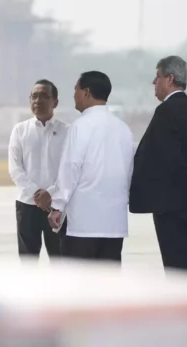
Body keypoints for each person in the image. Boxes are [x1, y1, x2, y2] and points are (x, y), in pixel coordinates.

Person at [129, 55, 187, 273]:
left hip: (171, 206)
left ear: (169, 79)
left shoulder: (166, 112)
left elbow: (169, 159)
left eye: (157, 76)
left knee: (177, 269)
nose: (154, 82)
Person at [46, 71, 134, 263]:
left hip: (83, 223)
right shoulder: (123, 129)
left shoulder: (80, 126)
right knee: (108, 284)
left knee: (80, 285)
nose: (74, 94)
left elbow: (70, 169)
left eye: (76, 89)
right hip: (114, 222)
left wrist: (57, 206)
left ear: (86, 92)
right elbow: (128, 173)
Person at [8, 79, 68, 260]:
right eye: (34, 96)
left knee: (61, 259)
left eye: (44, 96)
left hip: (57, 206)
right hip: (27, 204)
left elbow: (71, 170)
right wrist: (37, 193)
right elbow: (15, 168)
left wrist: (50, 194)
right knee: (28, 260)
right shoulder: (20, 130)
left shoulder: (68, 131)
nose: (38, 101)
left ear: (55, 102)